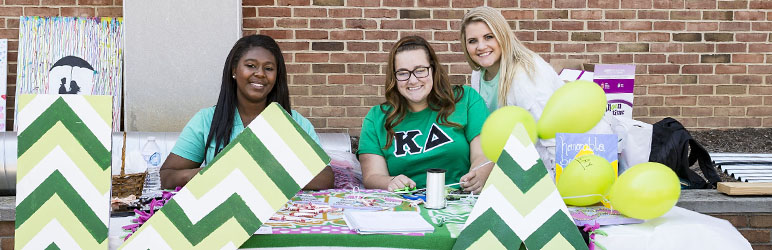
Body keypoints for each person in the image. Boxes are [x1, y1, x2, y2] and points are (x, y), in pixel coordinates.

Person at [160, 35, 334, 190]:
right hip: (225, 217)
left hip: (283, 219)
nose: (260, 74)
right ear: (234, 70)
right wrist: (211, 173)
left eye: (269, 68)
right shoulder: (207, 120)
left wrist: (264, 172)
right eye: (251, 65)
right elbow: (167, 177)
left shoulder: (293, 122)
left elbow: (325, 177)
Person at [358, 36, 492, 194]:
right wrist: (391, 182)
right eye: (402, 73)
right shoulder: (376, 118)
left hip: (460, 200)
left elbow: (482, 154)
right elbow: (372, 176)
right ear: (394, 77)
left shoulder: (466, 99)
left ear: (433, 69)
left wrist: (478, 175)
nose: (413, 80)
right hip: (406, 205)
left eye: (420, 70)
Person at [460, 6, 575, 169]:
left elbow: (552, 134)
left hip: (543, 167)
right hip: (512, 166)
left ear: (503, 36)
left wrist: (558, 184)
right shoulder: (478, 74)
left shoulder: (525, 74)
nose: (481, 46)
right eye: (472, 41)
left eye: (488, 37)